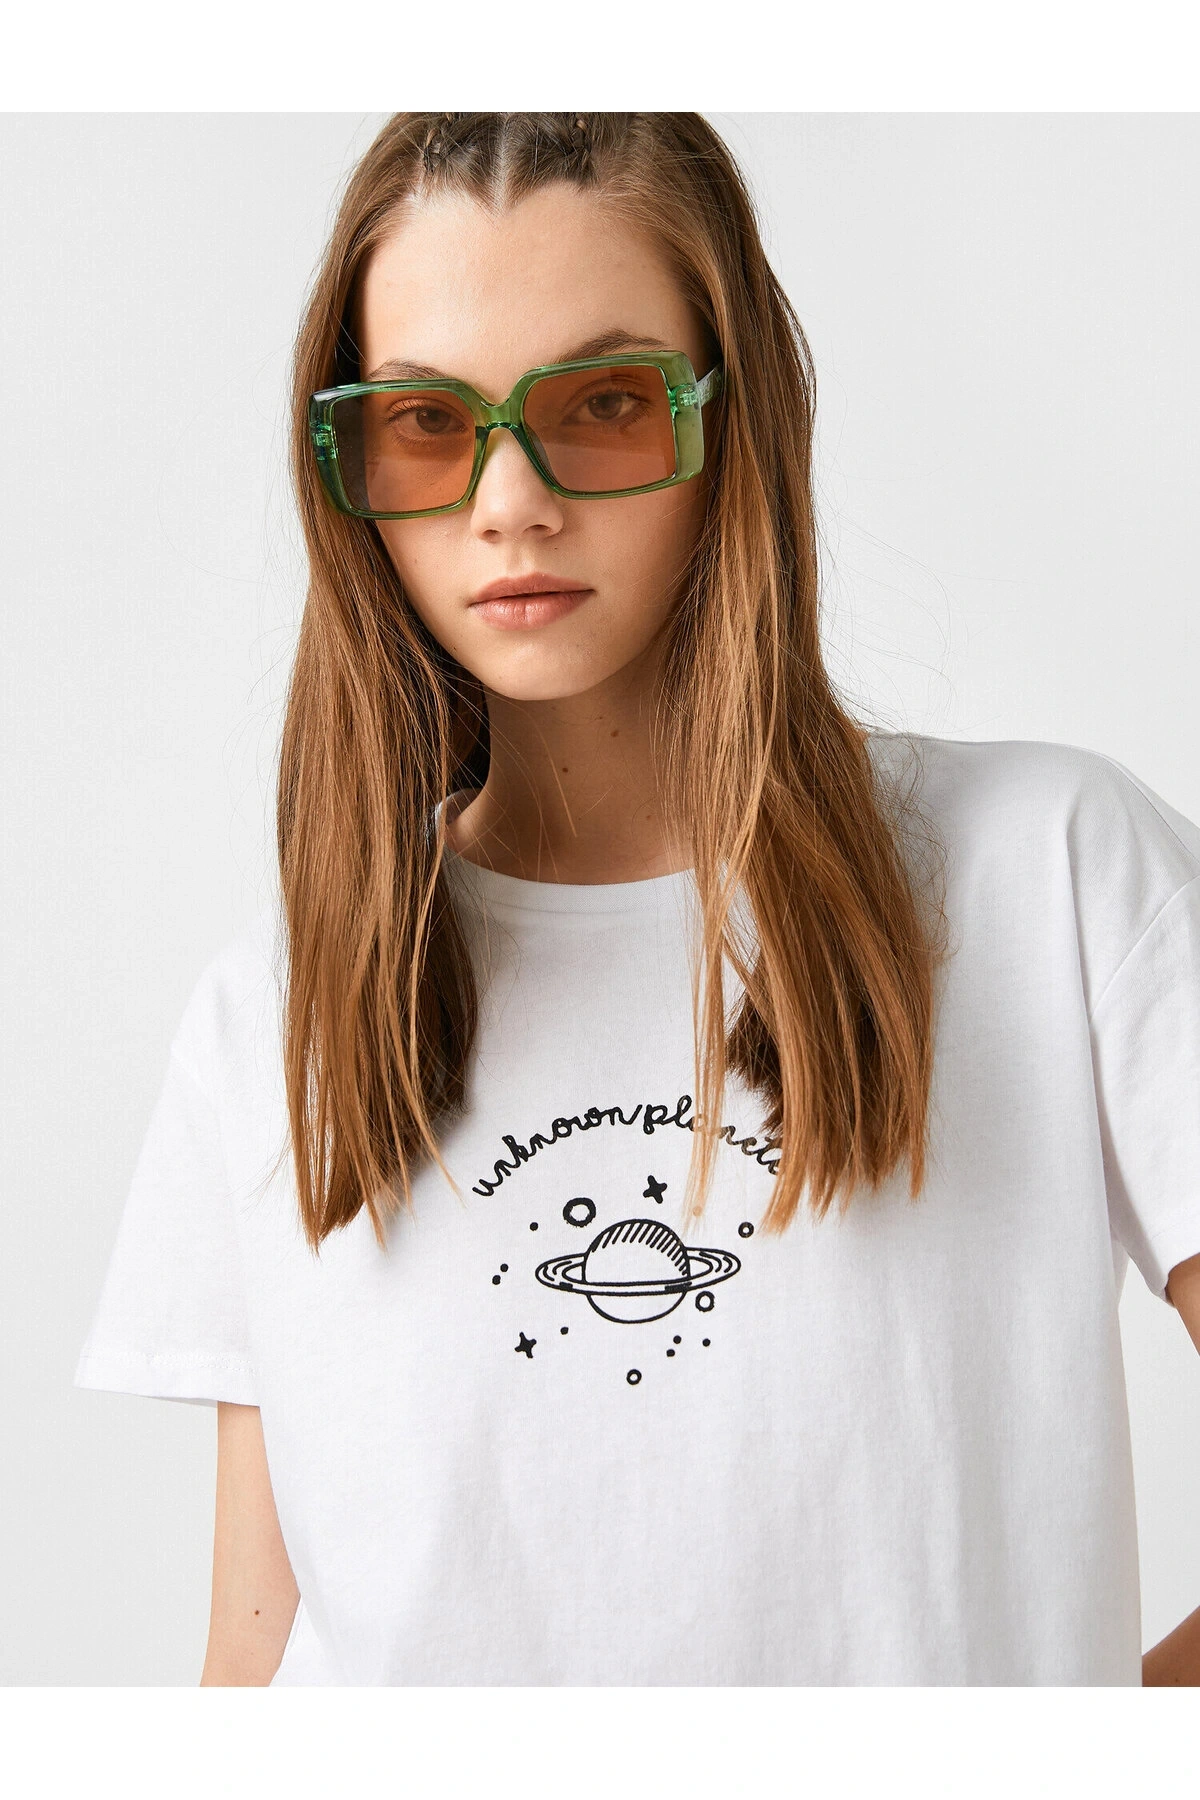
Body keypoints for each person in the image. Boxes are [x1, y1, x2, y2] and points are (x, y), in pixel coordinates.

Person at [75, 111, 1200, 1687]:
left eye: (603, 407)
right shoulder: (270, 1016)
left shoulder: (1056, 877)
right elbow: (252, 1664)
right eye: (425, 424)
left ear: (732, 420)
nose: (510, 501)